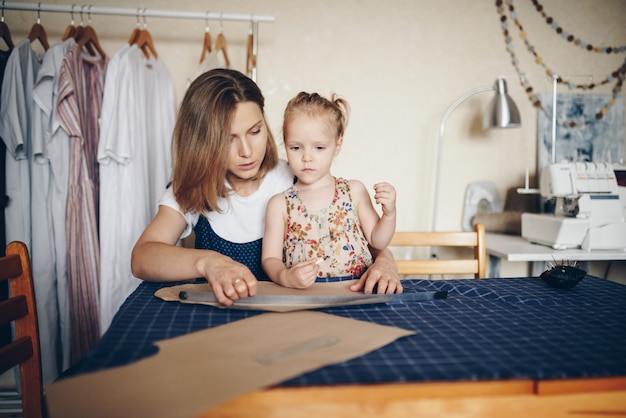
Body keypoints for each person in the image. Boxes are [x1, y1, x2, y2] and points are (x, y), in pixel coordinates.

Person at [131, 69, 402, 307]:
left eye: (255, 131)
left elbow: (358, 236)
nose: (246, 151)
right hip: (220, 317)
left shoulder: (296, 176)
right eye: (228, 139)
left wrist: (386, 262)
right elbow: (142, 257)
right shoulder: (192, 189)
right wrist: (207, 262)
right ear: (203, 140)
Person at [262, 92, 397, 289]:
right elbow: (270, 259)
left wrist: (389, 214)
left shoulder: (354, 191)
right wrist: (285, 277)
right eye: (296, 147)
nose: (307, 157)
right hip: (307, 297)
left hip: (356, 291)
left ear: (337, 146)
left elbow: (378, 241)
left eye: (319, 147)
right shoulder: (280, 204)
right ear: (285, 143)